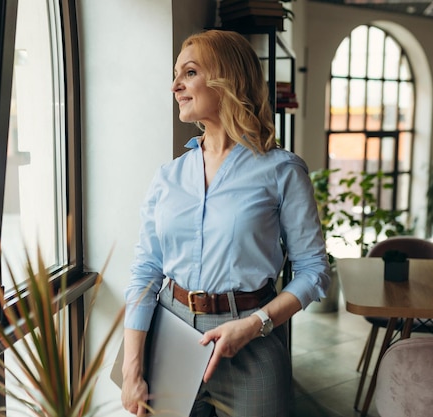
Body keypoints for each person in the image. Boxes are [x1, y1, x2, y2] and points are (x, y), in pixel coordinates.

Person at [121, 29, 330, 417]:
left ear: (227, 79)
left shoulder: (281, 171)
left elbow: (314, 271)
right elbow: (146, 272)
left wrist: (254, 325)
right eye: (175, 74)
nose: (175, 86)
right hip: (172, 333)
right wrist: (132, 366)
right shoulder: (168, 176)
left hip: (252, 340)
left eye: (189, 73)